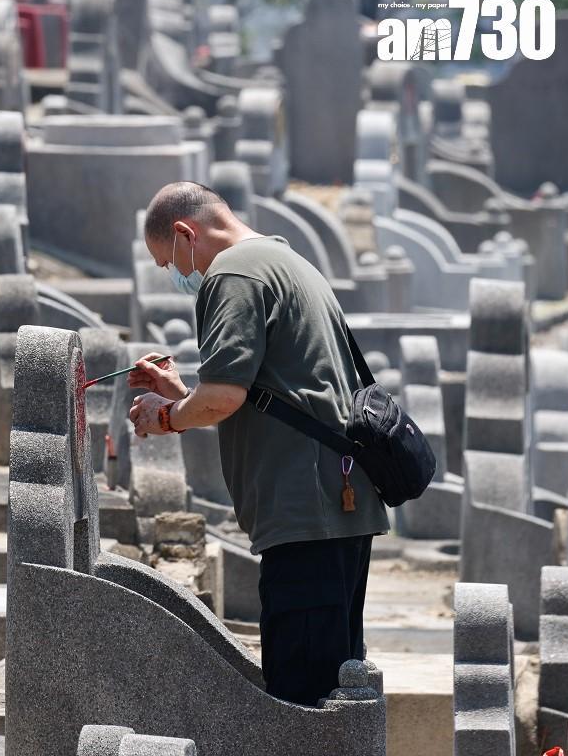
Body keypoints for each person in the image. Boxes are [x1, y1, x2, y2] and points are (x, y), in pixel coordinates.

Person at [127, 181, 390, 707]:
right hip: (336, 501)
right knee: (337, 685)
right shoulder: (285, 260)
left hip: (304, 511)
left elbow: (223, 397)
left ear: (185, 233)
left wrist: (167, 418)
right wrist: (183, 395)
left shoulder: (233, 273)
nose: (177, 275)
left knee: (303, 697)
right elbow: (273, 394)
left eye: (170, 262)